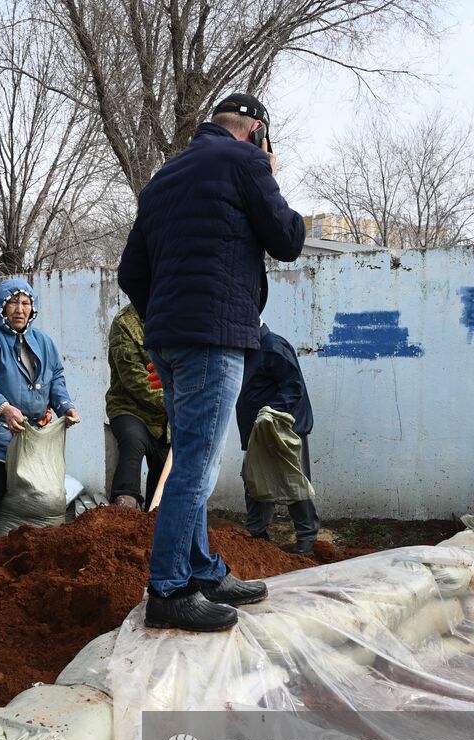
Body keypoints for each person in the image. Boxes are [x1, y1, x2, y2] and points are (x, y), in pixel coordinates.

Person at [117, 91, 307, 632]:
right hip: (213, 338)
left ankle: (201, 568)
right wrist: (269, 170)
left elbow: (132, 272)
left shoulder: (162, 179)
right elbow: (288, 239)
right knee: (196, 467)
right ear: (256, 131)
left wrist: (169, 319)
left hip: (170, 339)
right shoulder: (245, 160)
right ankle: (170, 588)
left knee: (190, 456)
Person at [0, 279, 78, 540]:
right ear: (1, 306)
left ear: (32, 308)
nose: (19, 309)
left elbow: (56, 376)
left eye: (25, 303)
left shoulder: (43, 341)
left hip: (30, 436)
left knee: (30, 491)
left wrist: (65, 406)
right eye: (13, 302)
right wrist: (3, 408)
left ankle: (18, 548)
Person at [236, 322, 319, 553]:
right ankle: (257, 534)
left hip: (283, 429)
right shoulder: (249, 351)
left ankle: (307, 540)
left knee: (293, 482)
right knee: (255, 479)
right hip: (259, 432)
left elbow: (294, 388)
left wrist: (269, 413)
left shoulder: (272, 346)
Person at [106, 302, 168, 509]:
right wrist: (175, 403)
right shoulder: (124, 323)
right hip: (130, 408)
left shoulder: (176, 316)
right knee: (134, 441)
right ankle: (125, 504)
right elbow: (134, 379)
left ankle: (155, 516)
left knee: (165, 464)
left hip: (166, 419)